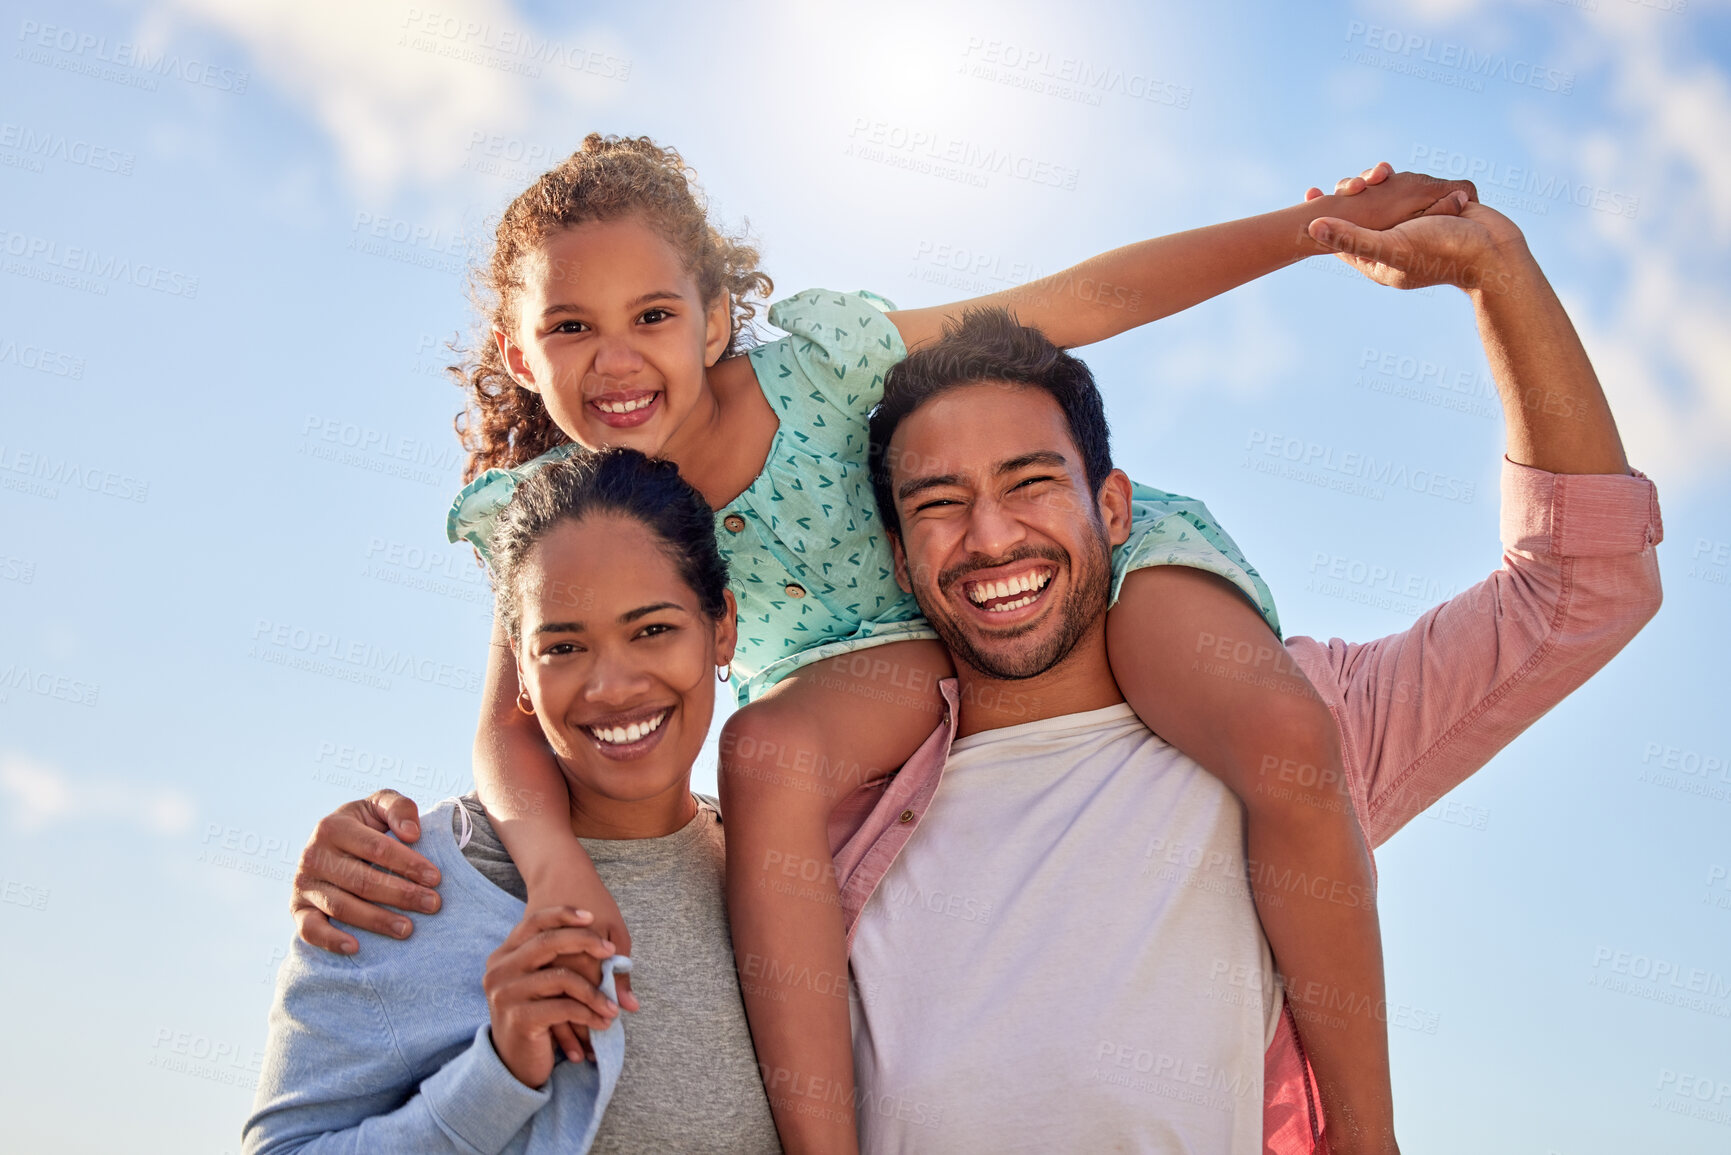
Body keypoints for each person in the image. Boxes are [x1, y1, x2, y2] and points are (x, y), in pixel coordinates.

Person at [288, 196, 1663, 1150]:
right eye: (938, 500)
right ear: (888, 543)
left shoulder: (1279, 728)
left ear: (1111, 506)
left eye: (1030, 483)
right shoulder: (801, 818)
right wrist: (416, 847)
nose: (991, 531)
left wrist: (1499, 275)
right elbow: (569, 703)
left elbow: (1580, 586)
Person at [244, 448, 783, 1154]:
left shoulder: (799, 868)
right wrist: (496, 1074)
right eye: (564, 647)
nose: (612, 687)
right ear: (520, 673)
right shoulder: (396, 885)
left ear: (722, 627)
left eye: (652, 629)